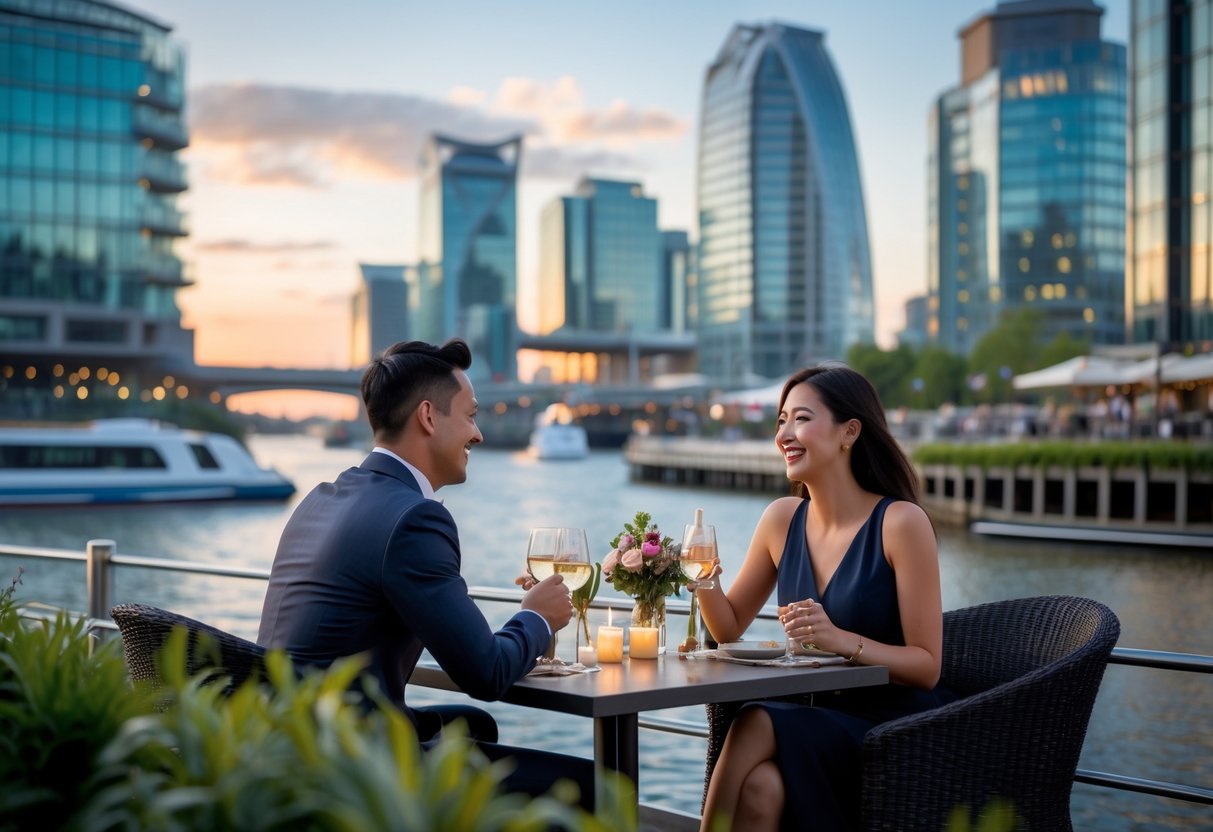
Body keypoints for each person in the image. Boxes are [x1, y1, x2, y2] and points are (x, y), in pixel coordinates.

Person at [258, 338, 593, 807]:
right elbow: (486, 672)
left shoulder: (320, 500)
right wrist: (536, 617)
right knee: (600, 786)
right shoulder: (415, 519)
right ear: (429, 417)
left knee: (473, 728)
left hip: (283, 744)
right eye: (471, 416)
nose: (478, 435)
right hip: (350, 768)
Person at [695, 364, 956, 832]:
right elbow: (729, 628)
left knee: (753, 719)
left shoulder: (900, 523)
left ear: (848, 432)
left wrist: (839, 639)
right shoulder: (782, 520)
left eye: (800, 418)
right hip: (811, 722)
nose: (784, 435)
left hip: (888, 732)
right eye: (780, 421)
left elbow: (926, 666)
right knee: (762, 789)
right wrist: (698, 577)